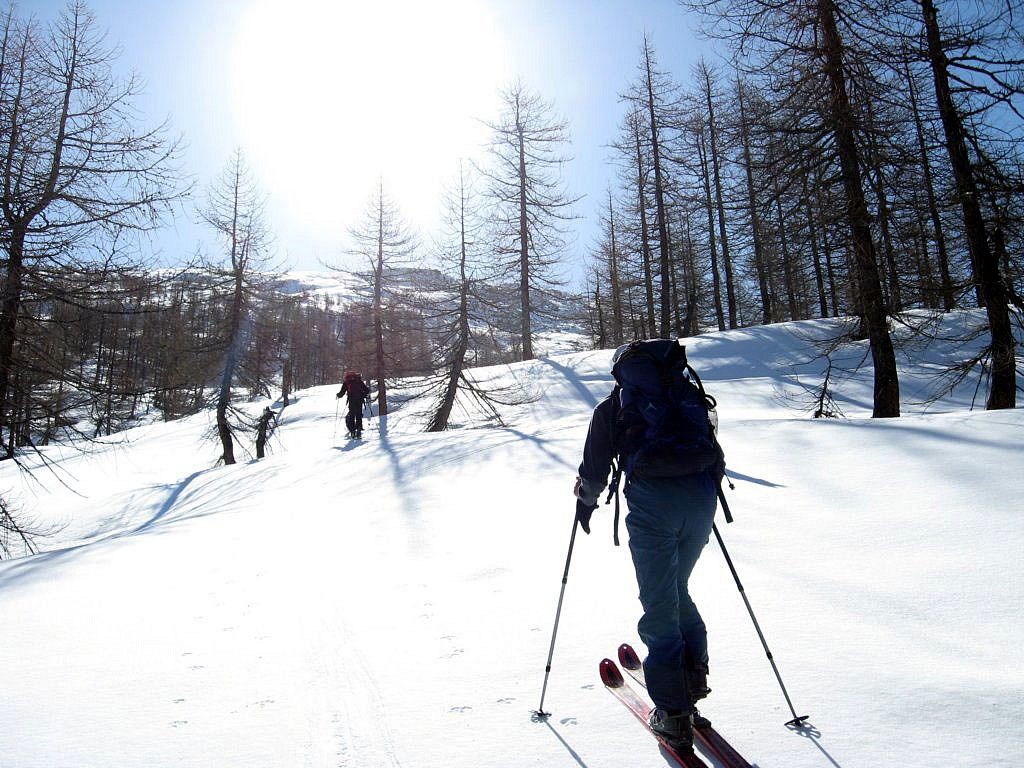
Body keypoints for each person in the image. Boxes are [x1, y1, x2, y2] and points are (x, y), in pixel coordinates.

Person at [574, 340, 723, 751]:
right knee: (677, 591)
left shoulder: (613, 407)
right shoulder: (687, 395)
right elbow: (714, 449)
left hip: (654, 505)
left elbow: (595, 468)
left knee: (660, 605)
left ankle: (673, 715)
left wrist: (585, 503)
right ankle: (692, 682)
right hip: (701, 500)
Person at [336, 371, 370, 439]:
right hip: (359, 400)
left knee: (352, 416)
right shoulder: (359, 381)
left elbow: (342, 392)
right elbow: (366, 390)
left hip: (352, 401)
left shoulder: (347, 382)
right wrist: (364, 395)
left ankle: (352, 432)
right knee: (359, 415)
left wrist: (338, 395)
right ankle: (359, 431)